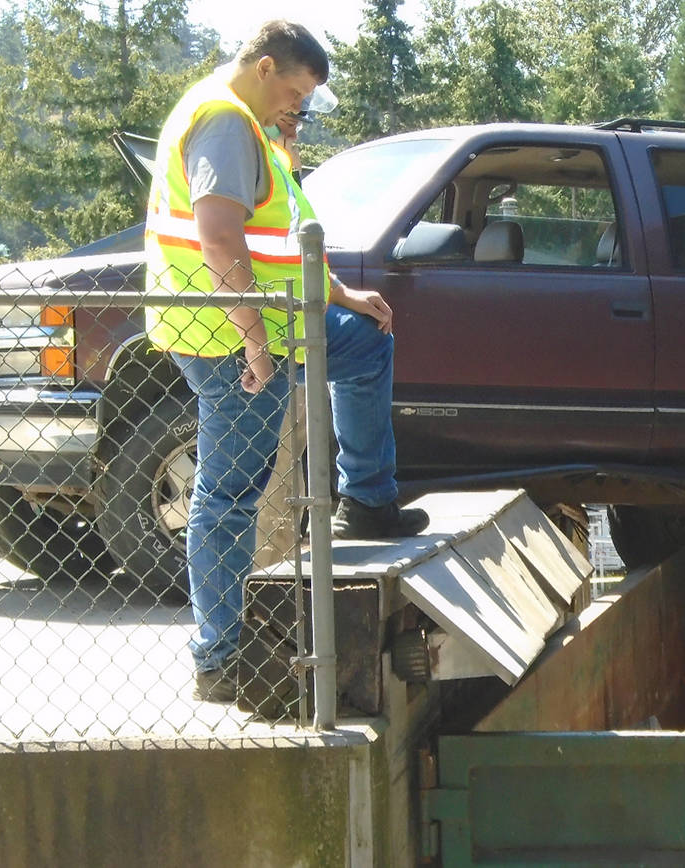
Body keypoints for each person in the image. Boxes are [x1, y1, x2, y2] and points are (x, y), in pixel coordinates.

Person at [144, 20, 428, 703]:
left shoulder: (252, 123)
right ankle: (219, 658)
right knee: (228, 495)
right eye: (295, 95)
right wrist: (253, 339)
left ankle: (366, 502)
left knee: (364, 345)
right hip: (226, 336)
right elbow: (217, 238)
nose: (296, 111)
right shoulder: (224, 122)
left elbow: (285, 237)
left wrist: (340, 294)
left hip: (274, 319)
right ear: (266, 67)